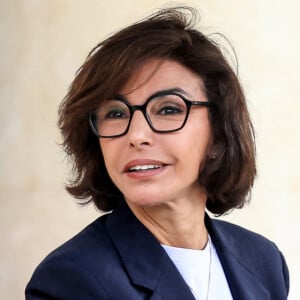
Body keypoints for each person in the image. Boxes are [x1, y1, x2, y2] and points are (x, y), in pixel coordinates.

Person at [25, 7, 289, 300]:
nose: (136, 135)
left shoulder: (265, 262)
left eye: (168, 109)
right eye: (115, 113)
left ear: (218, 133)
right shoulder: (70, 281)